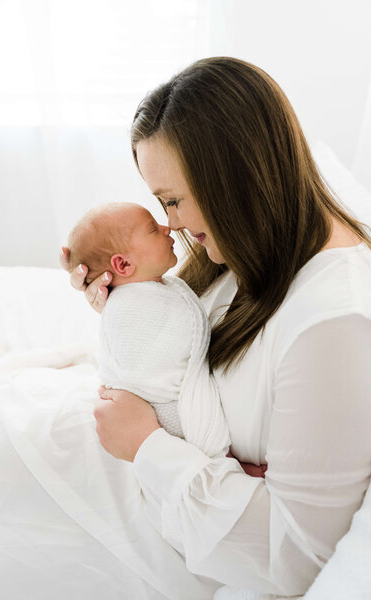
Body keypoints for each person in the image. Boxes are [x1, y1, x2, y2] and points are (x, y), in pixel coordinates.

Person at [60, 56, 371, 598]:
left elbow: (296, 558)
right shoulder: (250, 256)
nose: (171, 224)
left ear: (238, 176)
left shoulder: (336, 325)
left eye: (173, 201)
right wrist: (128, 308)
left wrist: (147, 446)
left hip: (125, 494)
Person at [66, 201, 231, 458]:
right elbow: (155, 359)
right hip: (160, 412)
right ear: (122, 265)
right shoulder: (129, 306)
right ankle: (224, 460)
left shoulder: (154, 292)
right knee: (204, 442)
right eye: (153, 229)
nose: (168, 228)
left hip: (154, 415)